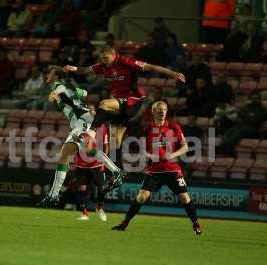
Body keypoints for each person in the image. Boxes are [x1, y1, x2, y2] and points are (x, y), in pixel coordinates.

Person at [63, 46, 185, 167]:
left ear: (114, 54)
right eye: (102, 58)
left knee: (104, 104)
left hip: (133, 101)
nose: (103, 60)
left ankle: (91, 132)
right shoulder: (102, 66)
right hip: (120, 105)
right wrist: (72, 68)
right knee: (114, 141)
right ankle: (117, 172)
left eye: (106, 58)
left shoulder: (127, 62)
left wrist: (173, 73)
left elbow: (152, 67)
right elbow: (84, 70)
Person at [111, 101, 202, 235]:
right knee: (142, 197)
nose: (162, 112)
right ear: (153, 112)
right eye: (159, 109)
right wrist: (149, 155)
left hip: (172, 170)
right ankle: (124, 223)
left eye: (164, 109)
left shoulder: (174, 127)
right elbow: (142, 150)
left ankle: (196, 224)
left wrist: (173, 154)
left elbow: (186, 147)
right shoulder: (147, 129)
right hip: (154, 171)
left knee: (184, 197)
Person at [39, 66, 123, 207]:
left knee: (80, 151)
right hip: (82, 122)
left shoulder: (58, 85)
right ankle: (53, 196)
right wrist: (73, 94)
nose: (47, 76)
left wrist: (54, 94)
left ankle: (116, 171)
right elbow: (83, 92)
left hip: (82, 121)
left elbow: (59, 90)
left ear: (55, 76)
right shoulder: (68, 86)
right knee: (64, 157)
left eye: (50, 73)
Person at [75, 103, 108, 222]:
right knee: (82, 188)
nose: (91, 112)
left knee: (102, 188)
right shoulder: (80, 124)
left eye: (94, 110)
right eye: (89, 109)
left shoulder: (102, 126)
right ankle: (84, 213)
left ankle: (99, 208)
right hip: (82, 163)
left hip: (97, 163)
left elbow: (105, 144)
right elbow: (75, 140)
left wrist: (105, 159)